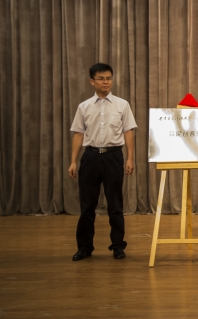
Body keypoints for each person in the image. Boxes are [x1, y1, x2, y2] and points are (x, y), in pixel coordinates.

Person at [68, 63, 137, 261]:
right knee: (87, 205)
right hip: (90, 157)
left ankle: (118, 245)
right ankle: (84, 247)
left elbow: (128, 131)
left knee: (115, 204)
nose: (106, 82)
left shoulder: (122, 105)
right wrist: (73, 161)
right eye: (101, 79)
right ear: (92, 81)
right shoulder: (84, 106)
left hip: (113, 156)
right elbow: (78, 134)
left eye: (109, 78)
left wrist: (130, 158)